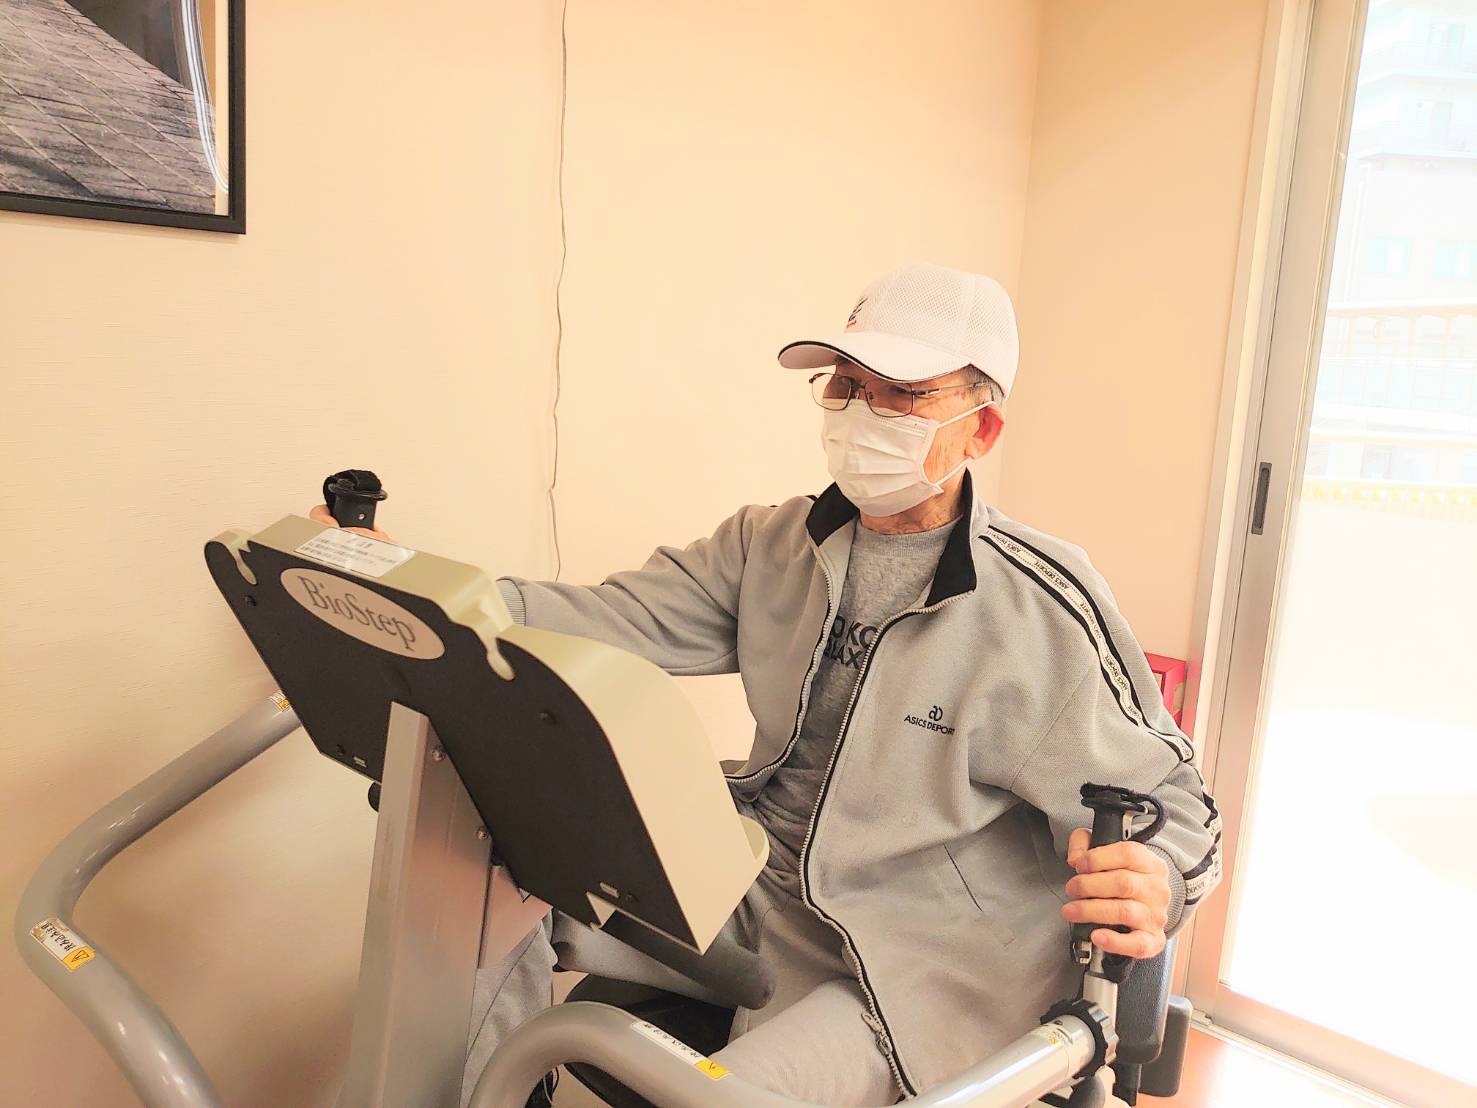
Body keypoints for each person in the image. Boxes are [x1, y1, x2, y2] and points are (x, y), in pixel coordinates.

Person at [311, 261, 1224, 1107]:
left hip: (904, 960)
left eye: (902, 394)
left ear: (980, 428)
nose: (863, 413)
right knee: (467, 885)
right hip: (748, 891)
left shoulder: (1040, 606)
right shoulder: (768, 544)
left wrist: (1153, 874)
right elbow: (589, 619)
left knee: (711, 1099)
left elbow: (1178, 809)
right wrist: (400, 582)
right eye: (847, 385)